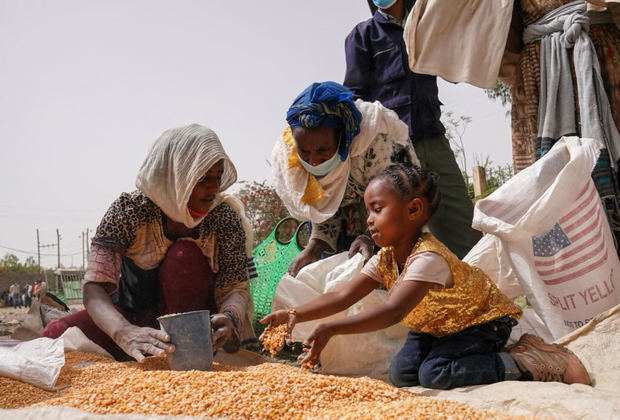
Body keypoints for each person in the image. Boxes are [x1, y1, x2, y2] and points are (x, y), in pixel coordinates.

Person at [261, 163, 591, 389]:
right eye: (368, 212)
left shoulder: (427, 258)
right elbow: (342, 296)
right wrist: (293, 314)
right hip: (435, 328)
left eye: (377, 209)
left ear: (414, 210)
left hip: (479, 323)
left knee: (434, 374)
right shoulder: (387, 258)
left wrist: (332, 327)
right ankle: (505, 355)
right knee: (402, 374)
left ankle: (528, 361)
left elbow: (393, 312)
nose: (369, 221)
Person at [41, 124, 255, 362]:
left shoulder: (222, 218)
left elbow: (235, 287)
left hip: (195, 326)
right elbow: (94, 288)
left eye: (217, 177)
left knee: (182, 256)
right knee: (54, 335)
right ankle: (142, 348)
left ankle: (187, 354)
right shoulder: (129, 211)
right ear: (177, 175)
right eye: (203, 178)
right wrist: (124, 332)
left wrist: (230, 318)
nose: (214, 188)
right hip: (133, 318)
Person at [343, 0, 481, 259]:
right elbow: (355, 98)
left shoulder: (423, 25)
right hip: (391, 153)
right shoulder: (363, 36)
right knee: (399, 238)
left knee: (466, 231)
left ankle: (476, 291)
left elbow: (453, 68)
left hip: (433, 139)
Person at [272, 81, 417, 276]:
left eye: (323, 151)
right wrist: (313, 248)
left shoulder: (374, 143)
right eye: (305, 152)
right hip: (349, 234)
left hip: (395, 224)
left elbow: (395, 203)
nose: (314, 161)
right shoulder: (291, 158)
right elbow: (324, 208)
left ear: (343, 138)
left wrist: (368, 238)